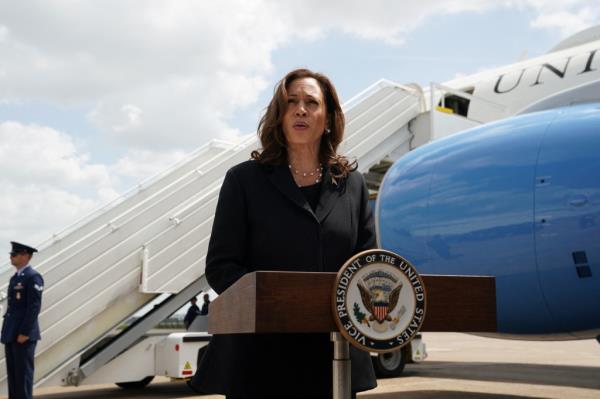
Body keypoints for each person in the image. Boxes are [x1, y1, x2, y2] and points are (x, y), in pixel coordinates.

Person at [191, 68, 377, 398]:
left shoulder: (353, 184)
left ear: (329, 117)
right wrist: (280, 302)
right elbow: (221, 266)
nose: (301, 109)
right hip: (260, 358)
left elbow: (365, 264)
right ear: (280, 116)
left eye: (311, 102)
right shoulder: (244, 180)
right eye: (291, 102)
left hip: (334, 358)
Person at [1, 242, 44, 399]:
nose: (11, 257)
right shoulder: (15, 278)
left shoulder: (33, 277)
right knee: (13, 377)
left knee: (23, 377)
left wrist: (25, 332)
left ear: (26, 256)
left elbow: (34, 308)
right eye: (11, 254)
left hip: (23, 335)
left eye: (15, 254)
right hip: (11, 334)